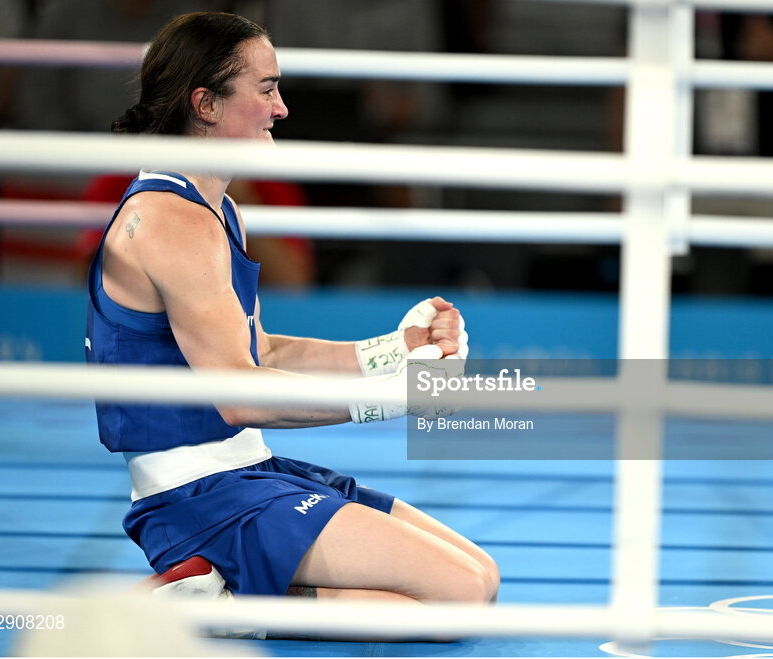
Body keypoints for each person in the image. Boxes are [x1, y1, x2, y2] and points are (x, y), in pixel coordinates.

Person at [85, 11, 499, 615]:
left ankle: (220, 592)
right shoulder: (169, 221)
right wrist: (392, 398)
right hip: (200, 500)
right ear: (206, 103)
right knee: (455, 596)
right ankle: (218, 608)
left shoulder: (215, 209)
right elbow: (240, 395)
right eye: (267, 88)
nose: (281, 108)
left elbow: (261, 353)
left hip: (248, 471)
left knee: (480, 577)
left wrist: (393, 349)